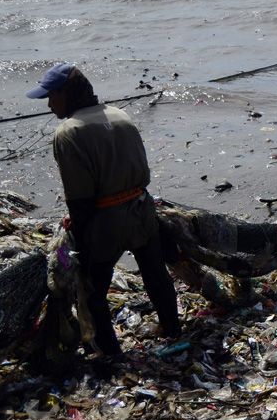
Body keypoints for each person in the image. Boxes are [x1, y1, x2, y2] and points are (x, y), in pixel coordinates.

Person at [26, 63, 180, 356]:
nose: (48, 104)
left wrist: (81, 245)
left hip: (106, 220)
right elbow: (143, 171)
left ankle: (109, 352)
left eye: (51, 97)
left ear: (66, 94)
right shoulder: (120, 116)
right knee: (155, 273)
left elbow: (80, 199)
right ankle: (172, 328)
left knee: (92, 289)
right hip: (142, 207)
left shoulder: (68, 132)